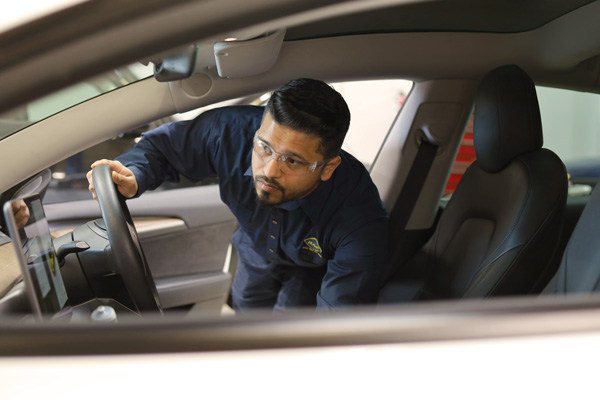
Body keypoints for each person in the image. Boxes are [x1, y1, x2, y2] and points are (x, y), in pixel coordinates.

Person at [87, 78, 388, 311]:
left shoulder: (359, 219)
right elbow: (162, 150)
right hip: (254, 250)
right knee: (246, 310)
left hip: (312, 268)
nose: (269, 171)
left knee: (290, 328)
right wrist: (133, 174)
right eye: (264, 147)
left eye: (292, 160)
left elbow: (338, 319)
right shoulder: (230, 134)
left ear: (327, 167)